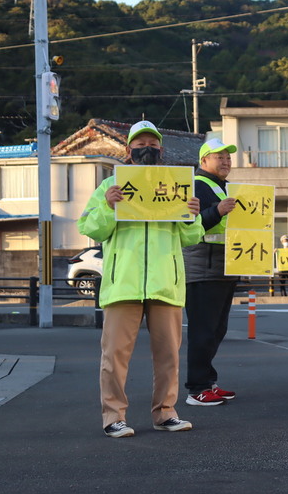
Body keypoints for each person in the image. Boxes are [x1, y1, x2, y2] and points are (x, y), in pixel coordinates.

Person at [78, 120, 204, 438]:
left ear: (161, 150)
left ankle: (165, 413)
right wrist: (107, 206)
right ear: (128, 150)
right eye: (140, 143)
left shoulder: (177, 187)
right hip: (124, 284)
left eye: (152, 143)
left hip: (165, 283)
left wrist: (192, 215)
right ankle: (113, 416)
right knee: (114, 356)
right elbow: (90, 228)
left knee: (168, 355)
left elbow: (191, 236)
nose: (146, 147)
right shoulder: (109, 187)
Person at [183, 138, 240, 406]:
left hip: (221, 268)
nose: (226, 161)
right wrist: (218, 210)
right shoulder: (198, 184)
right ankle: (197, 389)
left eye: (228, 157)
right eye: (220, 157)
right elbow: (191, 224)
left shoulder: (219, 186)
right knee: (203, 331)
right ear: (204, 160)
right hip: (202, 268)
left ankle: (208, 381)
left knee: (216, 330)